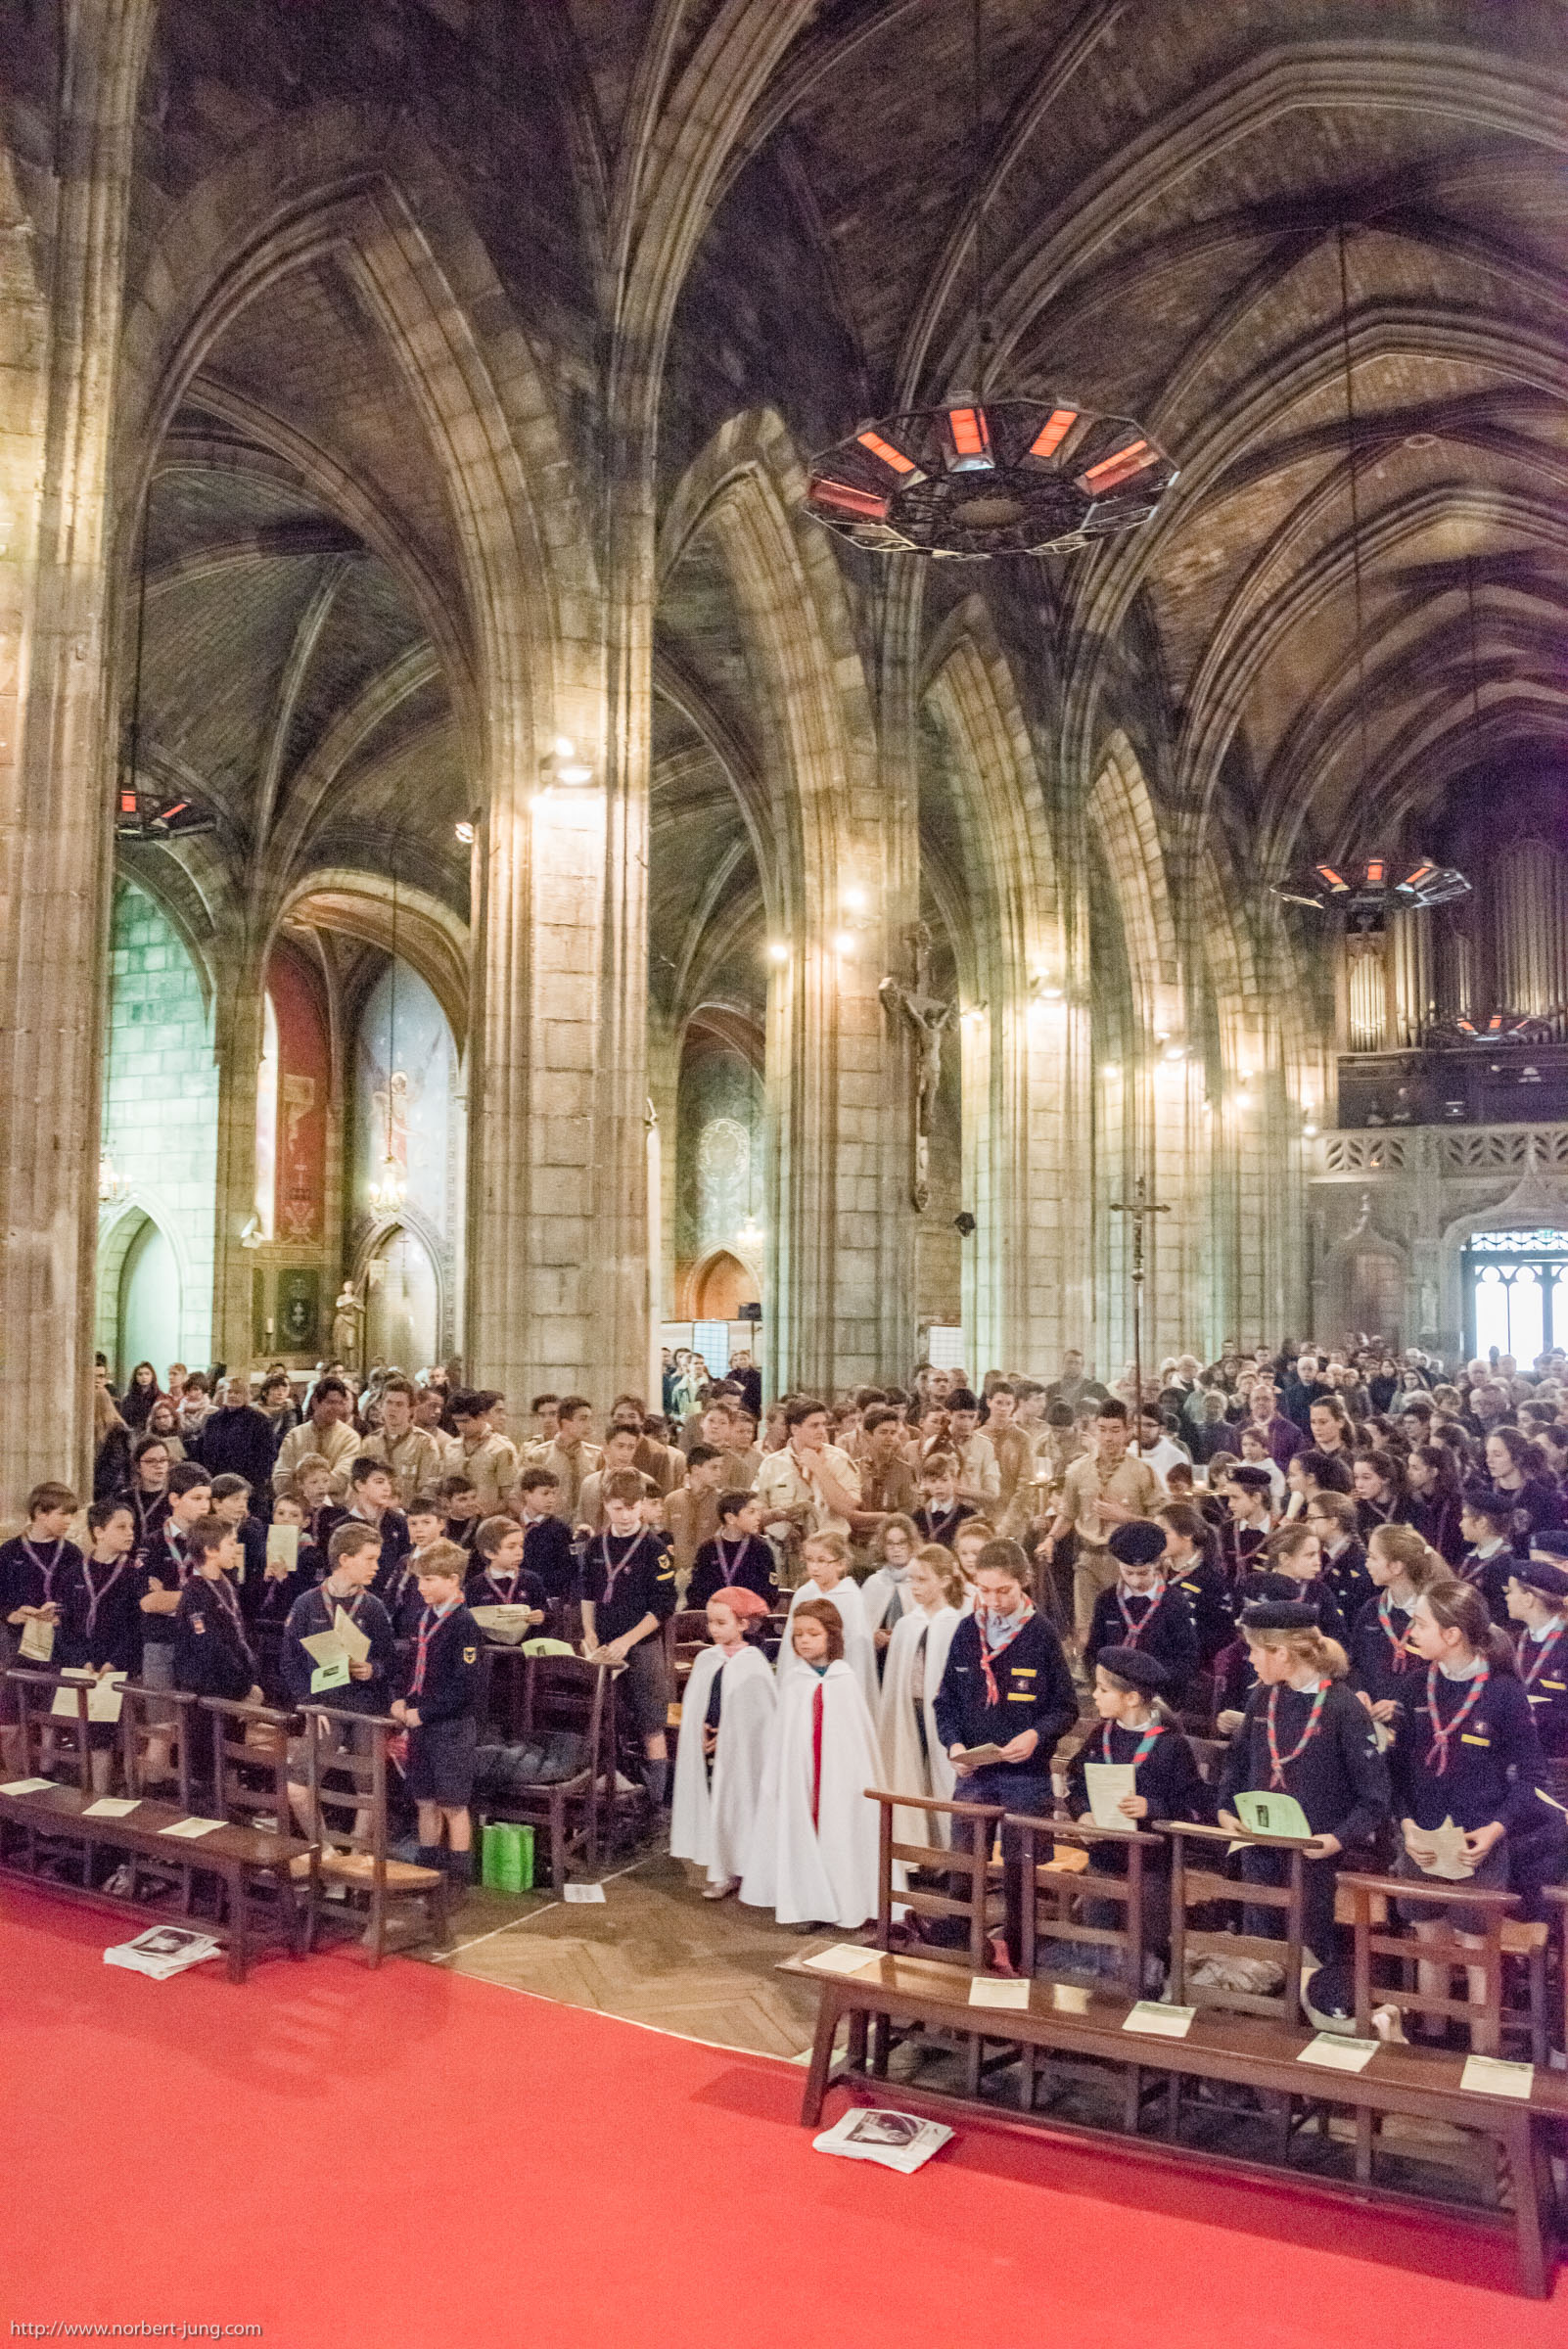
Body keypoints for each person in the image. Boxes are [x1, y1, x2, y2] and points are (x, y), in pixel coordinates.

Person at [1393, 1580, 1565, 1985]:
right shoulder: (1415, 1687)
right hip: (1423, 1841)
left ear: (1451, 1635)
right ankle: (1429, 2040)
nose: (1411, 1632)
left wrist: (1495, 1830)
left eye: (1419, 1623)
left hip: (1479, 1845)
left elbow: (1531, 1778)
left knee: (1477, 1956)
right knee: (1429, 1947)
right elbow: (1396, 1775)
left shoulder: (1504, 1694)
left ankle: (1482, 2049)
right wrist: (1407, 1827)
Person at [1218, 1599, 1391, 1964]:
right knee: (1260, 1944)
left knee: (1308, 1944)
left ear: (1281, 1653)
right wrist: (1225, 1808)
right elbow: (1237, 1760)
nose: (1249, 1659)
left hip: (1313, 1854)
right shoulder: (1263, 1697)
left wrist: (1337, 1839)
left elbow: (1375, 1796)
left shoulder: (1343, 1707)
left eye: (1254, 1650)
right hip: (1259, 1845)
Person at [934, 1541, 1078, 1968]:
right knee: (964, 1866)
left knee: (1022, 1871)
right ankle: (958, 1953)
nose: (994, 1601)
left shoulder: (1042, 1634)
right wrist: (954, 1745)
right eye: (985, 1590)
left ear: (1024, 1583)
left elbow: (1066, 1708)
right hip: (975, 1772)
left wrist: (1036, 1734)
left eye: (1004, 1591)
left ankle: (1023, 1954)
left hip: (1025, 1774)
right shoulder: (966, 1631)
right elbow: (946, 1702)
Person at [739, 1597, 883, 1930]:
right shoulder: (794, 1681)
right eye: (798, 1634)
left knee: (839, 1828)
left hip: (838, 1784)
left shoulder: (844, 1680)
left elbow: (856, 1744)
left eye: (812, 1634)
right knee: (802, 1827)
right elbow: (784, 1739)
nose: (804, 1640)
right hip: (802, 1780)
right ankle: (807, 1901)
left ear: (831, 1637)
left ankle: (846, 1898)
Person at [1066, 1646, 1212, 1963]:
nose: (1094, 1694)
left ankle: (1149, 1994)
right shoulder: (1100, 1736)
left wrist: (1153, 1808)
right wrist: (1084, 1814)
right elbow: (1075, 1782)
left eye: (1103, 1689)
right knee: (1098, 1940)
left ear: (1131, 1698)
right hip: (1103, 1858)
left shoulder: (1171, 1745)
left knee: (1148, 1946)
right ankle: (1100, 2001)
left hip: (1151, 1864)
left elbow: (1196, 1805)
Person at [670, 1587, 776, 1900]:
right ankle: (723, 1870)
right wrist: (699, 1731)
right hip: (709, 1746)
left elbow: (760, 1716)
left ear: (743, 1624)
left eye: (721, 1623)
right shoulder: (707, 1659)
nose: (713, 1629)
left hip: (740, 1753)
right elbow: (695, 1705)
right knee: (715, 1806)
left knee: (740, 1804)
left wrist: (729, 1736)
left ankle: (748, 1867)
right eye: (711, 1623)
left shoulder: (753, 1662)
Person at [581, 1468, 678, 1807]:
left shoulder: (654, 1548)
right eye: (617, 1508)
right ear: (606, 1505)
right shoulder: (596, 1544)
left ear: (642, 1506)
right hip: (603, 1646)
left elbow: (664, 1605)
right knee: (604, 1718)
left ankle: (656, 1802)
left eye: (631, 1508)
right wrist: (589, 1632)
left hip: (641, 1645)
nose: (624, 1516)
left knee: (651, 1722)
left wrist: (628, 1639)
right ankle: (613, 1793)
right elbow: (587, 1593)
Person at [392, 1540, 484, 1883]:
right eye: (419, 1580)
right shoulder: (423, 1617)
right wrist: (400, 1697)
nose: (421, 1587)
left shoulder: (464, 1624)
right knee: (425, 1799)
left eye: (429, 1579)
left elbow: (465, 1685)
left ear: (452, 1579)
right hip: (421, 1724)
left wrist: (425, 1712)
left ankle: (459, 1875)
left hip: (451, 1726)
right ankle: (426, 1869)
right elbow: (412, 1664)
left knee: (453, 1804)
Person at [1040, 1399, 1166, 1649]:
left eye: (1115, 1430)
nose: (1108, 1437)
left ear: (1128, 1431)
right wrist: (1051, 1539)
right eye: (1103, 1429)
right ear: (1094, 1430)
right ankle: (1089, 1682)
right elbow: (1068, 1514)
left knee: (1124, 1626)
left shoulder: (1143, 1472)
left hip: (1126, 1564)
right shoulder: (1078, 1471)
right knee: (1085, 1627)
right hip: (1087, 1559)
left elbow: (1162, 1522)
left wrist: (1126, 1517)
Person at [877, 1543, 965, 1861]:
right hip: (909, 1708)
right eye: (912, 1580)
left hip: (942, 1715)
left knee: (942, 1774)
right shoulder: (906, 1624)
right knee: (910, 1774)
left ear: (943, 1581)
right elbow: (895, 1678)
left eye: (923, 1580)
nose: (915, 1587)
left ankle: (949, 1853)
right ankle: (916, 1849)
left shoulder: (954, 1623)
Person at [171, 1515, 262, 1794]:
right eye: (231, 1543)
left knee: (231, 1754)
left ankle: (233, 1810)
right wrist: (245, 1686)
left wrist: (251, 1679)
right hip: (207, 1691)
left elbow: (239, 1635)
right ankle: (207, 1812)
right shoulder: (195, 1593)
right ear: (210, 1550)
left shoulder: (226, 1582)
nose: (236, 1548)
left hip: (231, 1687)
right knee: (207, 1760)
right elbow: (209, 1646)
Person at [0, 1482, 82, 1768]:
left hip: (56, 1642)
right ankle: (13, 1784)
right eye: (63, 1514)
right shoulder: (9, 1552)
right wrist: (10, 1613)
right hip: (16, 1642)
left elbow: (81, 1597)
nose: (69, 1521)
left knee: (51, 1711)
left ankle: (47, 1776)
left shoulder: (72, 1554)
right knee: (10, 1716)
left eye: (72, 1514)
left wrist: (62, 1610)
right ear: (40, 1513)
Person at [281, 1521, 395, 1716]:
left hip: (362, 1711)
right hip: (318, 1707)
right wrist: (310, 1703)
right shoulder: (306, 1604)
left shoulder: (373, 1606)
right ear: (344, 1559)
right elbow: (290, 1661)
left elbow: (390, 1660)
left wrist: (373, 1669)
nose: (376, 1567)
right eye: (369, 1559)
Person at [1083, 1519, 1199, 1697]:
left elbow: (1186, 1660)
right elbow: (1093, 1652)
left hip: (1159, 1695)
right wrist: (1103, 1687)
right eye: (1128, 1573)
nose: (1136, 1581)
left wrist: (1153, 1685)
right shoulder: (1107, 1600)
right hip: (1115, 1696)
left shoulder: (1174, 1602)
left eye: (1143, 1573)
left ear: (1157, 1565)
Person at [1350, 1524, 1453, 1726]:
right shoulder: (1371, 1609)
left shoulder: (1435, 1613)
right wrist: (1358, 1691)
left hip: (1420, 1722)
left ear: (1396, 1567)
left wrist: (1401, 1705)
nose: (1367, 1563)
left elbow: (1445, 1673)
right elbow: (1354, 1664)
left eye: (1373, 1557)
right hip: (1373, 1721)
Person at [776, 1531, 875, 1708]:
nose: (814, 1567)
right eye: (809, 1560)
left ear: (840, 1564)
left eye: (822, 1561)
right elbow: (790, 1647)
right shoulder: (804, 1594)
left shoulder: (851, 1598)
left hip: (838, 1685)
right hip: (804, 1681)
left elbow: (857, 1651)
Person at [1506, 1541, 1568, 1759]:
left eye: (1511, 1591)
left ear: (1529, 1599)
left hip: (1557, 1757)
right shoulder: (1514, 1642)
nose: (1506, 1597)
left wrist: (1539, 1715)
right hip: (1519, 1754)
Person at [1155, 1501, 1234, 1668]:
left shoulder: (1210, 1579)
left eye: (1163, 1532)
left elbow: (1220, 1636)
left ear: (1188, 1534)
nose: (1157, 1539)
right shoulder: (1154, 1572)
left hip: (1193, 1667)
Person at [359, 1374, 448, 1506]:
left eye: (399, 1404)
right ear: (381, 1406)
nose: (393, 1409)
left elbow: (428, 1488)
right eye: (389, 1403)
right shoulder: (369, 1443)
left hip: (408, 1517)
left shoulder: (424, 1443)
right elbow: (360, 1483)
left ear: (411, 1409)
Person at [686, 1491, 777, 1610]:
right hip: (714, 1618)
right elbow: (695, 1592)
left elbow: (770, 1594)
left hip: (749, 1619)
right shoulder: (708, 1549)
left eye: (758, 1511)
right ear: (730, 1518)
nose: (758, 1517)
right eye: (751, 1512)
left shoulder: (761, 1549)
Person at [274, 1377, 360, 1497]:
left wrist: (303, 1482)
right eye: (330, 1402)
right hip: (298, 1509)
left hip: (335, 1510)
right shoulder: (295, 1435)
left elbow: (343, 1479)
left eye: (339, 1403)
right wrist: (316, 1487)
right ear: (315, 1402)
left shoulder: (350, 1438)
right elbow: (280, 1481)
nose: (335, 1408)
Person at [857, 1512, 921, 1671]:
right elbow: (862, 1626)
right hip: (881, 1659)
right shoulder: (874, 1583)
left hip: (911, 1658)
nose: (896, 1550)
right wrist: (874, 1636)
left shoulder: (920, 1580)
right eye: (890, 1544)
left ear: (912, 1544)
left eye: (902, 1543)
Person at [193, 1376, 278, 1495]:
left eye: (237, 1392)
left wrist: (255, 1480)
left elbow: (267, 1455)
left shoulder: (259, 1420)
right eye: (229, 1392)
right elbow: (203, 1450)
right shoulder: (213, 1419)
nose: (232, 1395)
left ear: (246, 1396)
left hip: (248, 1484)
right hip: (216, 1481)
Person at [847, 1405, 921, 1537]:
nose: (890, 1438)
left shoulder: (905, 1471)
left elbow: (907, 1515)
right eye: (883, 1432)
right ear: (867, 1435)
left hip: (890, 1542)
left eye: (893, 1433)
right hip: (857, 1543)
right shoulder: (853, 1469)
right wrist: (886, 1516)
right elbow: (847, 1512)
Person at [464, 1514, 546, 1625]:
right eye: (511, 1547)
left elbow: (547, 1614)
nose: (519, 1552)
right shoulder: (474, 1586)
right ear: (490, 1553)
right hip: (488, 1642)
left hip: (527, 1641)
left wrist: (542, 1617)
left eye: (521, 1546)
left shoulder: (531, 1580)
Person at [1305, 1490, 1372, 1620]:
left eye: (1312, 1518)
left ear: (1333, 1522)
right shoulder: (1321, 1552)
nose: (1308, 1524)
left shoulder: (1356, 1561)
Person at [663, 1444, 726, 1582]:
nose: (719, 1473)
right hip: (676, 1575)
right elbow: (664, 1538)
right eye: (714, 1467)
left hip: (711, 1575)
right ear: (696, 1469)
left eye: (720, 1467)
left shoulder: (722, 1501)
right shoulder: (672, 1499)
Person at [534, 1395, 601, 1522]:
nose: (589, 1426)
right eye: (583, 1419)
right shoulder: (540, 1455)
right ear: (565, 1423)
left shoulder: (597, 1456)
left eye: (590, 1419)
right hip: (551, 1529)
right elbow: (521, 1497)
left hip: (586, 1529)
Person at [1454, 1488, 1516, 1625]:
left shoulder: (1506, 1565)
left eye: (1465, 1517)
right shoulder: (1470, 1557)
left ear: (1482, 1522)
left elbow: (1502, 1615)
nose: (1460, 1523)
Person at [516, 1468, 577, 1604]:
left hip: (546, 1597)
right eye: (545, 1493)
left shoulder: (560, 1530)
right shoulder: (511, 1524)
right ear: (527, 1494)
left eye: (554, 1494)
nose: (551, 1499)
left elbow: (568, 1569)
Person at [1406, 1443, 1465, 1566]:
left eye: (1415, 1468)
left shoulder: (1455, 1504)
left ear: (1433, 1472)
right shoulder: (1412, 1501)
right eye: (1409, 1467)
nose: (1409, 1473)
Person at [119, 1433, 173, 1548]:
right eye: (150, 1461)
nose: (158, 1466)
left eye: (163, 1460)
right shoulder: (123, 1500)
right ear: (138, 1466)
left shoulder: (175, 1498)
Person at [911, 1451, 973, 1551]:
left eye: (944, 1480)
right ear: (926, 1483)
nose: (938, 1486)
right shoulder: (917, 1517)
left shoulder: (967, 1515)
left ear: (954, 1480)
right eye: (933, 1481)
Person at [92, 1385, 133, 1500]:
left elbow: (115, 1462)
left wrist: (98, 1486)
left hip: (111, 1489)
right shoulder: (96, 1428)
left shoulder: (116, 1430)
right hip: (105, 1486)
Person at [120, 1361, 161, 1431]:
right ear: (135, 1377)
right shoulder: (128, 1397)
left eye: (147, 1374)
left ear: (152, 1376)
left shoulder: (159, 1396)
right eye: (140, 1374)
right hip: (133, 1432)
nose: (144, 1377)